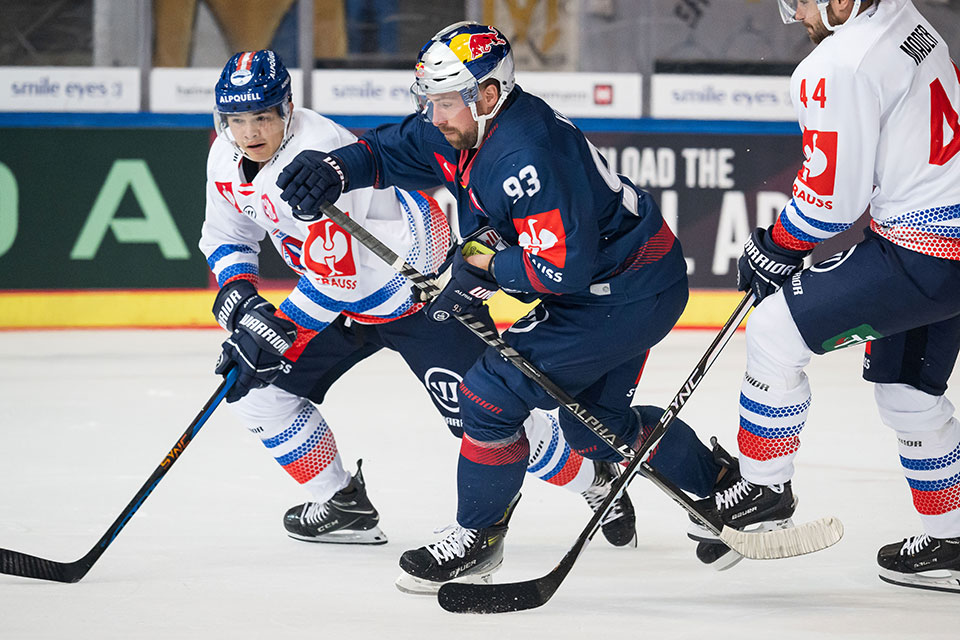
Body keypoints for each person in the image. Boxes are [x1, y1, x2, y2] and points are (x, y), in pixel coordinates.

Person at [276, 22, 740, 594]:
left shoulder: (525, 154)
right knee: (594, 433)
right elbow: (388, 150)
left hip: (617, 295)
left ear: (488, 95)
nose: (434, 114)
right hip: (629, 281)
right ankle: (724, 487)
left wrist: (476, 270)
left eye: (445, 102)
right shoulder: (463, 129)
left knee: (488, 397)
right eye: (429, 100)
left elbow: (557, 269)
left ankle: (477, 538)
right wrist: (335, 169)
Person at [200, 49, 648, 552]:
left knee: (492, 423)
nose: (250, 131)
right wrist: (239, 296)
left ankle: (596, 479)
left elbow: (336, 278)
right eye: (237, 119)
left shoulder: (317, 149)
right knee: (254, 391)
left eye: (262, 116)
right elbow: (226, 232)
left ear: (287, 108)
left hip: (422, 296)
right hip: (346, 306)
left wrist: (272, 331)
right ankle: (341, 503)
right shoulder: (224, 153)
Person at [689, 0, 960, 591]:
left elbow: (831, 200)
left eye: (804, 1)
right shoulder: (907, 18)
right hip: (943, 251)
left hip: (924, 253)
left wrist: (775, 244)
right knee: (908, 393)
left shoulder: (839, 62)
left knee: (771, 333)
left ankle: (763, 487)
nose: (795, 14)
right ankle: (952, 539)